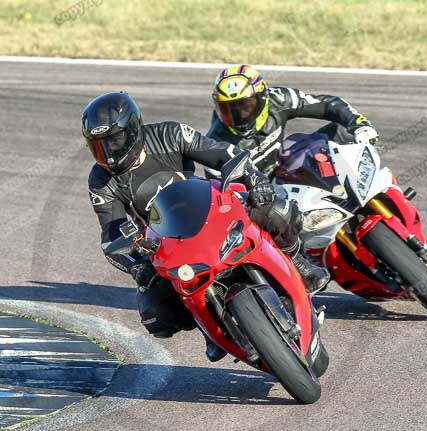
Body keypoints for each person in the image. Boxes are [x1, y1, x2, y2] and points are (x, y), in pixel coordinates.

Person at [82, 91, 329, 362]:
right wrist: (136, 266)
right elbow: (112, 234)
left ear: (132, 130)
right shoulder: (100, 181)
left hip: (212, 207)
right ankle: (209, 327)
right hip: (165, 240)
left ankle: (296, 261)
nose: (108, 153)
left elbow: (225, 153)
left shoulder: (170, 134)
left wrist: (255, 181)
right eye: (99, 147)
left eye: (114, 141)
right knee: (155, 312)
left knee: (275, 210)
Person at [207, 64, 379, 177]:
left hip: (287, 167)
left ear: (262, 98)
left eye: (246, 105)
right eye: (229, 109)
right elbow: (227, 198)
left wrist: (360, 125)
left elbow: (328, 105)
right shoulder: (215, 146)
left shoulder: (279, 99)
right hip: (262, 199)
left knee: (343, 133)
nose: (240, 114)